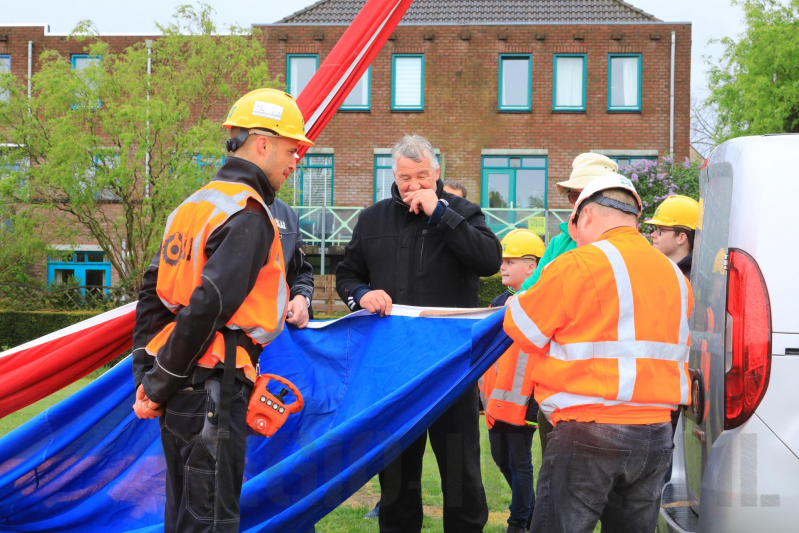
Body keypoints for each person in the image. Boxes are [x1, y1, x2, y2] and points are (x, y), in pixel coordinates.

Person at [131, 88, 313, 533]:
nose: (297, 161)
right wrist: (156, 386)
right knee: (210, 520)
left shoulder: (191, 208)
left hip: (183, 391)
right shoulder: (249, 214)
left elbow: (151, 297)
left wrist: (150, 379)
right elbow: (208, 306)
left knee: (186, 517)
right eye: (293, 149)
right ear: (262, 143)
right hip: (213, 388)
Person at [504, 173, 693, 533]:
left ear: (585, 216)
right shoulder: (675, 275)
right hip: (656, 433)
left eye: (574, 228)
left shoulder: (578, 264)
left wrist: (515, 302)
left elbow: (524, 330)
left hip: (588, 430)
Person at [336, 134, 502, 533]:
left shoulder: (463, 212)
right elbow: (347, 274)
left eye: (422, 177)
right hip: (393, 370)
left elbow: (489, 261)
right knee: (396, 477)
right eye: (406, 178)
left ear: (437, 172)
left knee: (461, 474)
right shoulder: (373, 218)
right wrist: (361, 294)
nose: (414, 186)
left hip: (450, 369)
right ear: (393, 175)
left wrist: (441, 214)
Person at [519, 152, 618, 456]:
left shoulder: (619, 245)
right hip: (558, 393)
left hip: (608, 394)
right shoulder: (560, 242)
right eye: (574, 194)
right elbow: (527, 295)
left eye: (582, 194)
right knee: (556, 482)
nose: (575, 202)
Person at [480, 229, 545, 533]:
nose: (503, 267)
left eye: (511, 261)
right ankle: (530, 513)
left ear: (532, 267)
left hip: (525, 403)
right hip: (497, 402)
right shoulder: (498, 301)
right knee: (501, 460)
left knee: (520, 464)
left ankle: (518, 523)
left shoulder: (539, 302)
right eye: (502, 261)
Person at [271, 198, 316, 326]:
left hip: (277, 331)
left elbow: (299, 271)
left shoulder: (288, 215)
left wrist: (301, 297)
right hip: (227, 332)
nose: (287, 176)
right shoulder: (216, 202)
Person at [647, 194, 699, 278]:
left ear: (681, 238)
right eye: (655, 229)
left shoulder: (693, 280)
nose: (652, 235)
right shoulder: (660, 270)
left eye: (660, 231)